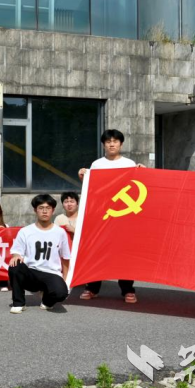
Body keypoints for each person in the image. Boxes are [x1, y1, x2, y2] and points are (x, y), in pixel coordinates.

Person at [78, 129, 141, 303]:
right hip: (102, 215)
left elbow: (137, 186)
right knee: (97, 250)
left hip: (124, 216)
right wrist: (84, 177)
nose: (111, 144)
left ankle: (128, 290)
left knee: (124, 253)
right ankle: (92, 287)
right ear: (103, 145)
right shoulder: (97, 164)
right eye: (108, 141)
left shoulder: (129, 163)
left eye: (115, 141)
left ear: (121, 144)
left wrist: (144, 173)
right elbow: (93, 189)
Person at [7, 195, 71, 314]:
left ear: (53, 210)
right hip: (31, 272)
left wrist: (65, 281)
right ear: (35, 210)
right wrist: (16, 256)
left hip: (52, 273)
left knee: (61, 293)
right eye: (41, 208)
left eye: (48, 208)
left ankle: (46, 300)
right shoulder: (25, 231)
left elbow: (66, 258)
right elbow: (16, 251)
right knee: (15, 266)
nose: (44, 211)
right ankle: (19, 303)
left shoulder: (60, 232)